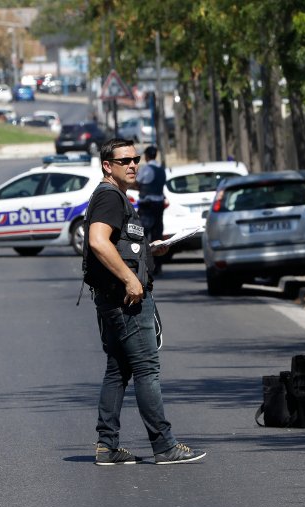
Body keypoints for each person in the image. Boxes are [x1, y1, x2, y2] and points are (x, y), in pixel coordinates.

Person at [82, 138, 206, 465]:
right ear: (107, 165)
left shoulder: (113, 196)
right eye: (124, 161)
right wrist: (130, 278)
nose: (133, 165)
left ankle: (107, 446)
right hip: (126, 300)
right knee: (146, 369)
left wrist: (150, 251)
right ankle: (164, 445)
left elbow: (118, 244)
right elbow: (97, 241)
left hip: (112, 298)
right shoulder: (110, 196)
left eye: (135, 159)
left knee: (118, 370)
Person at [135, 145, 166, 275]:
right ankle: (158, 265)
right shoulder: (161, 169)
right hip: (159, 205)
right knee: (157, 235)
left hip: (147, 205)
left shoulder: (147, 169)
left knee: (142, 235)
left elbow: (137, 182)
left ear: (147, 156)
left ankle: (144, 264)